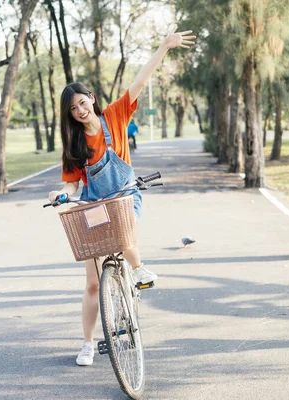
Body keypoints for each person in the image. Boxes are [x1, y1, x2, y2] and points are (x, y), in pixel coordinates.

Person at [47, 26, 195, 366]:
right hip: (95, 205)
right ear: (69, 115)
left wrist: (163, 47)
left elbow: (141, 80)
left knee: (123, 221)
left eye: (83, 103)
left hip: (125, 197)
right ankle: (86, 344)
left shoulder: (115, 115)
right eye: (73, 109)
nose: (80, 110)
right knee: (91, 285)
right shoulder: (74, 145)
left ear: (92, 99)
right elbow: (72, 185)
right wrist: (62, 194)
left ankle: (138, 268)